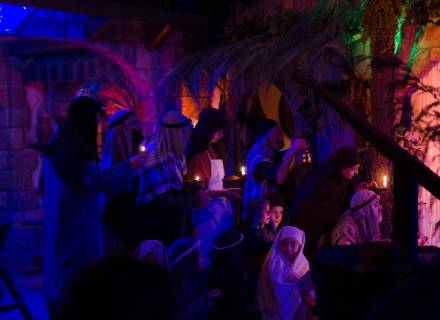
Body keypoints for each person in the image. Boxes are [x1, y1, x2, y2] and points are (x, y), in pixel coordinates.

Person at [39, 96, 148, 316]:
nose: (99, 127)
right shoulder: (78, 149)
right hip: (76, 224)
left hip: (61, 220)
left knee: (61, 274)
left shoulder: (60, 144)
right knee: (76, 278)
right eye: (96, 120)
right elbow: (96, 180)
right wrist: (131, 165)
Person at [135, 111, 241, 247]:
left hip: (174, 221)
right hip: (159, 225)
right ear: (174, 134)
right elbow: (159, 199)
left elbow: (178, 189)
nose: (187, 138)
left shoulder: (173, 155)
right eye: (183, 134)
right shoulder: (155, 158)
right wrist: (193, 198)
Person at [289, 146, 361, 255]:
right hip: (307, 232)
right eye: (353, 169)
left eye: (357, 168)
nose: (356, 173)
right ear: (341, 167)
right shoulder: (323, 184)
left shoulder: (341, 180)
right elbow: (316, 213)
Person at [186, 107, 234, 267]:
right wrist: (226, 192)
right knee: (207, 255)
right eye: (218, 131)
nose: (221, 135)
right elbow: (200, 191)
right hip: (206, 215)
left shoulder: (211, 149)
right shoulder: (199, 155)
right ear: (208, 130)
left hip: (219, 211)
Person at [243, 119, 307, 221]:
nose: (281, 138)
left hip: (272, 213)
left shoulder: (270, 152)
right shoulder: (259, 159)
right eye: (275, 135)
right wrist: (291, 151)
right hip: (261, 216)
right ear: (265, 139)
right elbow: (278, 178)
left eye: (281, 134)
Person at [99, 109, 144, 255]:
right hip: (116, 217)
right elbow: (109, 182)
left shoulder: (135, 154)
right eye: (133, 130)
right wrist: (129, 166)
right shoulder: (109, 162)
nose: (138, 134)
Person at [257, 226, 315, 320]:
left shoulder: (303, 262)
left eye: (293, 244)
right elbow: (277, 288)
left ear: (300, 246)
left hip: (299, 307)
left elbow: (309, 289)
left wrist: (300, 281)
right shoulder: (275, 262)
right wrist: (298, 282)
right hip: (275, 308)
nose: (288, 248)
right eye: (284, 243)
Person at [209, 230, 261, 320]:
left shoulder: (218, 261)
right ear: (237, 246)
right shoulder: (233, 266)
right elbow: (238, 295)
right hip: (235, 312)